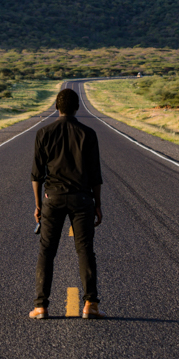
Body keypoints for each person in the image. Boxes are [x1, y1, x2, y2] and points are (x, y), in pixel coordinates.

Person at [29, 87, 104, 319]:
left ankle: (41, 306)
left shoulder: (43, 133)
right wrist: (98, 205)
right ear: (77, 107)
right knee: (85, 251)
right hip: (82, 198)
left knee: (47, 251)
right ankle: (90, 304)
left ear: (56, 107)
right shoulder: (88, 134)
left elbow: (36, 175)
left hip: (52, 197)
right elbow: (95, 175)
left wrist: (38, 204)